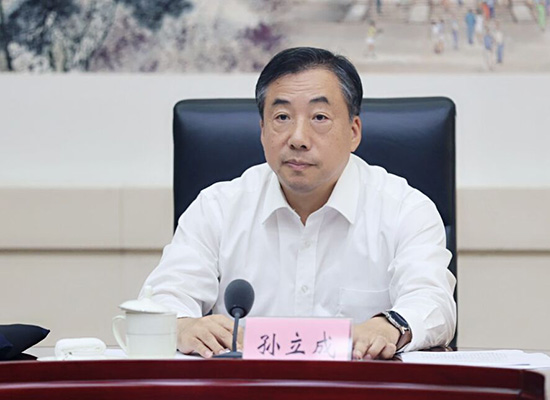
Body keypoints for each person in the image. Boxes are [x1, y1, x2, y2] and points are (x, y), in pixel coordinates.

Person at [142, 47, 456, 360]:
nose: (298, 138)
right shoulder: (217, 208)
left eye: (319, 117)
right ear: (262, 131)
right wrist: (182, 325)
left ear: (353, 132)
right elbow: (161, 300)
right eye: (282, 117)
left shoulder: (405, 209)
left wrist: (389, 327)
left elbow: (433, 302)